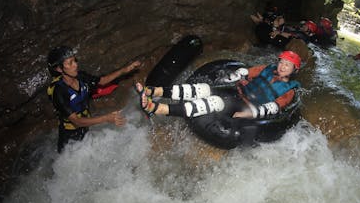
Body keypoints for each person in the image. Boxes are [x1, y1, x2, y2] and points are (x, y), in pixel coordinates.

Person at [136, 51, 302, 120]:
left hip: (247, 105)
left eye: (288, 65)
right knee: (203, 89)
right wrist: (233, 77)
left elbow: (273, 107)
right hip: (238, 91)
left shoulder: (289, 91)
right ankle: (153, 90)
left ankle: (157, 109)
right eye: (282, 62)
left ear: (294, 70)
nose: (282, 66)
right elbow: (246, 72)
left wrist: (248, 114)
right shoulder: (268, 69)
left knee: (215, 102)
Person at [47, 45, 141, 152]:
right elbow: (77, 122)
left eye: (75, 60)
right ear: (59, 69)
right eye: (70, 63)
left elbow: (102, 81)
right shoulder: (58, 91)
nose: (75, 65)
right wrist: (106, 118)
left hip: (85, 130)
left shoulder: (80, 76)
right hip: (70, 141)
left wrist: (126, 69)